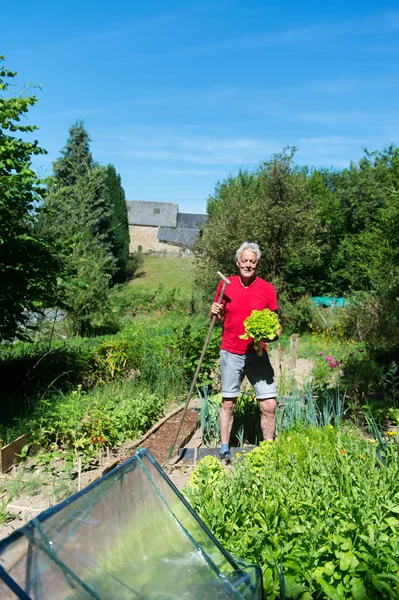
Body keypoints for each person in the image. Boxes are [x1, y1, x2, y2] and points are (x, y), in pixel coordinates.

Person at [210, 242, 282, 464]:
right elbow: (215, 319)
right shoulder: (226, 285)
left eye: (252, 261)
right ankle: (224, 449)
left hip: (258, 354)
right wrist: (213, 312)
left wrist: (272, 335)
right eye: (245, 260)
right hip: (231, 351)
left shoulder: (267, 289)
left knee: (269, 405)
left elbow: (276, 325)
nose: (248, 264)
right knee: (228, 403)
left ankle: (268, 451)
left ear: (257, 264)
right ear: (238, 262)